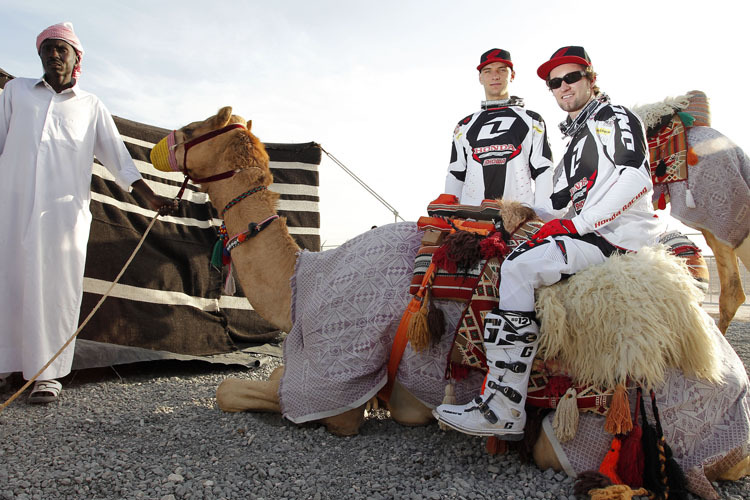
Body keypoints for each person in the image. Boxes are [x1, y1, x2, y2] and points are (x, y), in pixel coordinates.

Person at [434, 46, 663, 438]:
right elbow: (555, 204)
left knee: (519, 268)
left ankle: (504, 407)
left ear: (591, 79)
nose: (563, 87)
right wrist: (516, 213)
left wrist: (581, 224)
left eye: (571, 77)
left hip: (616, 237)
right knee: (513, 252)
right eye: (555, 83)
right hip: (592, 232)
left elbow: (636, 178)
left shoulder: (614, 116)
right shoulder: (575, 141)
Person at [0, 22, 176, 403]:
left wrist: (151, 199)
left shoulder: (91, 106)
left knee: (56, 288)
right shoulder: (15, 92)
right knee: (7, 281)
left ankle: (47, 376)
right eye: (47, 49)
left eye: (62, 49)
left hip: (61, 218)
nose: (53, 55)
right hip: (10, 209)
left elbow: (119, 159)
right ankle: (4, 366)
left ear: (77, 59)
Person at [445, 48, 555, 219]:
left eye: (502, 70)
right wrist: (450, 216)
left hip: (518, 221)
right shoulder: (464, 125)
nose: (495, 76)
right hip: (471, 221)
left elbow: (543, 169)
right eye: (488, 71)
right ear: (480, 78)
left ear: (512, 75)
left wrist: (542, 217)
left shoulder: (532, 120)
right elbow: (456, 174)